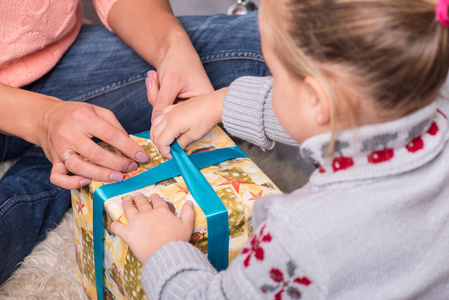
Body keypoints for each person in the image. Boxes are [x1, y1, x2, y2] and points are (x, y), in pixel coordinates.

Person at [111, 0, 449, 298]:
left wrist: (164, 249)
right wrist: (221, 102)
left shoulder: (297, 235)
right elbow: (342, 119)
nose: (270, 79)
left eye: (274, 72)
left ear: (317, 99)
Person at [0, 0, 268, 283]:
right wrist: (43, 120)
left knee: (276, 43)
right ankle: (68, 150)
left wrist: (172, 46)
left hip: (64, 63)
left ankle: (73, 148)